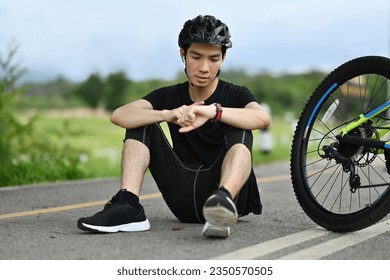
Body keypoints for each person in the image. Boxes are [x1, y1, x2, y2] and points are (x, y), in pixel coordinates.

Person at [77, 15, 271, 238]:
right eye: (196, 57)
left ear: (223, 59)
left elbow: (262, 118)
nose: (204, 68)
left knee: (242, 127)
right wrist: (166, 114)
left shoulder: (236, 94)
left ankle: (221, 204)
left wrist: (212, 112)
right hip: (183, 195)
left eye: (213, 58)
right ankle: (128, 206)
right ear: (183, 54)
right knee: (143, 120)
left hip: (229, 194)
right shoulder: (169, 95)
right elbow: (119, 115)